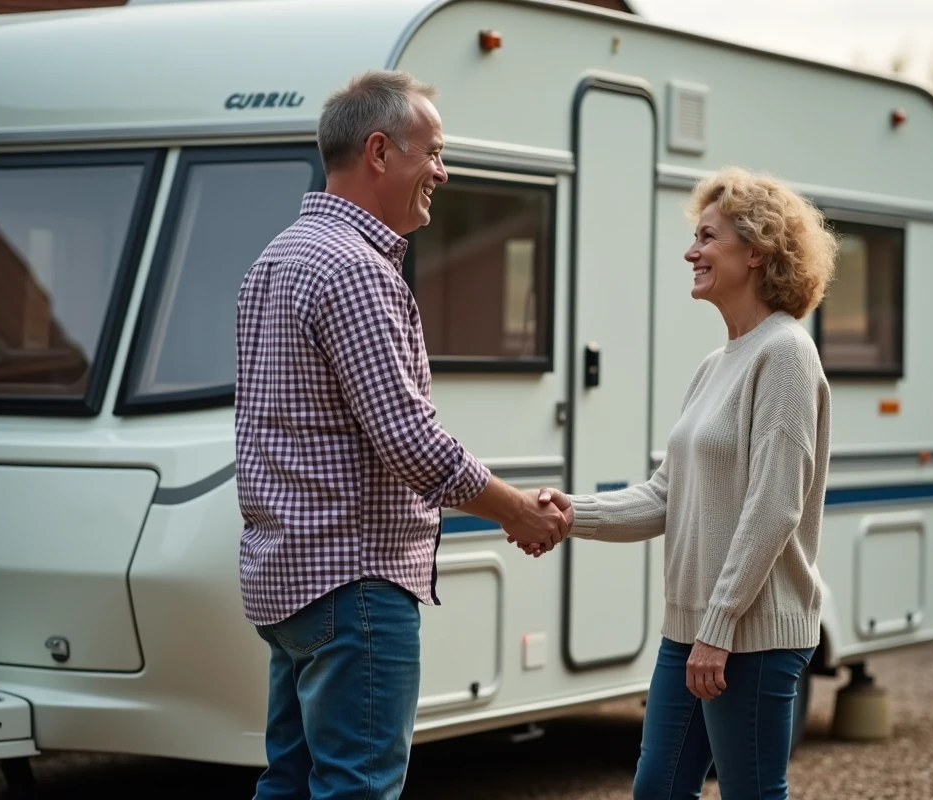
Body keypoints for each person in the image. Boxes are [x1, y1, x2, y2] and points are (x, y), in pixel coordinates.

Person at [234, 70, 568, 800]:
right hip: (353, 581)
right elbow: (411, 442)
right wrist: (517, 510)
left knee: (288, 785)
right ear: (380, 151)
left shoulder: (274, 260)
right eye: (435, 152)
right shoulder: (356, 270)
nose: (443, 173)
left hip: (289, 580)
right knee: (357, 789)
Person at [528, 166, 837, 799]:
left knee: (751, 792)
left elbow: (775, 507)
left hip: (748, 638)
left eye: (707, 237)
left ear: (756, 251)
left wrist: (719, 630)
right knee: (658, 791)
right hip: (691, 633)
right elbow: (664, 496)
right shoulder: (714, 365)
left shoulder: (786, 355)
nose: (691, 251)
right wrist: (571, 513)